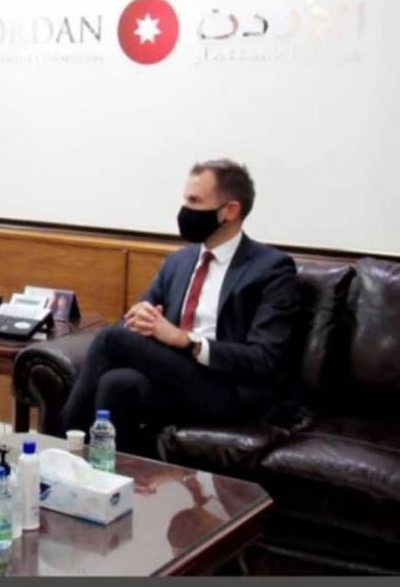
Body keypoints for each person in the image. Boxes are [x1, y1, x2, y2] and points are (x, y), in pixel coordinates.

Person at [60, 159, 299, 451]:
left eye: (194, 201)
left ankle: (59, 446)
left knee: (110, 339)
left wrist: (185, 340)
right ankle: (107, 473)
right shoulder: (179, 262)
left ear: (230, 211)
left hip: (229, 388)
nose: (185, 210)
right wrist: (139, 319)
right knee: (117, 383)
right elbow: (135, 319)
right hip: (174, 376)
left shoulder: (271, 269)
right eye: (185, 200)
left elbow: (263, 359)